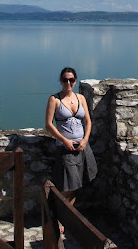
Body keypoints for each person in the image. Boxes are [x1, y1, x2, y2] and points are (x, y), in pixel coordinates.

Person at [45, 67, 97, 208]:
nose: (68, 83)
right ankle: (54, 214)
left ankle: (64, 217)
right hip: (65, 148)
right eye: (65, 80)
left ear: (75, 81)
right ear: (61, 81)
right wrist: (64, 140)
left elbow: (87, 121)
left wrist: (85, 139)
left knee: (77, 185)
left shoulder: (80, 98)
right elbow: (49, 125)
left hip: (82, 146)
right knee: (68, 186)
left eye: (71, 80)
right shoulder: (54, 100)